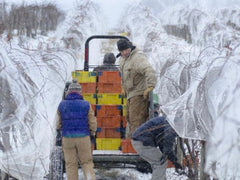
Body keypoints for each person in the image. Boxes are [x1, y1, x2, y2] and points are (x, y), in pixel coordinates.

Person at [57, 79, 97, 180]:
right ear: (80, 92)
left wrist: (59, 131)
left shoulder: (62, 105)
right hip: (83, 137)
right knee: (86, 162)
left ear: (68, 92)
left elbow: (57, 123)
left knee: (70, 164)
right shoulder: (86, 104)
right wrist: (92, 133)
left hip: (67, 138)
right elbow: (92, 122)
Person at [117, 39, 157, 139]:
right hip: (130, 94)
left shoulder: (137, 58)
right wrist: (123, 87)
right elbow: (124, 76)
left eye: (126, 50)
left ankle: (137, 146)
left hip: (139, 94)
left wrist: (150, 86)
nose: (125, 53)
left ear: (130, 48)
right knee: (129, 118)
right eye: (122, 51)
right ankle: (132, 143)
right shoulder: (123, 59)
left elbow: (149, 70)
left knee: (136, 120)